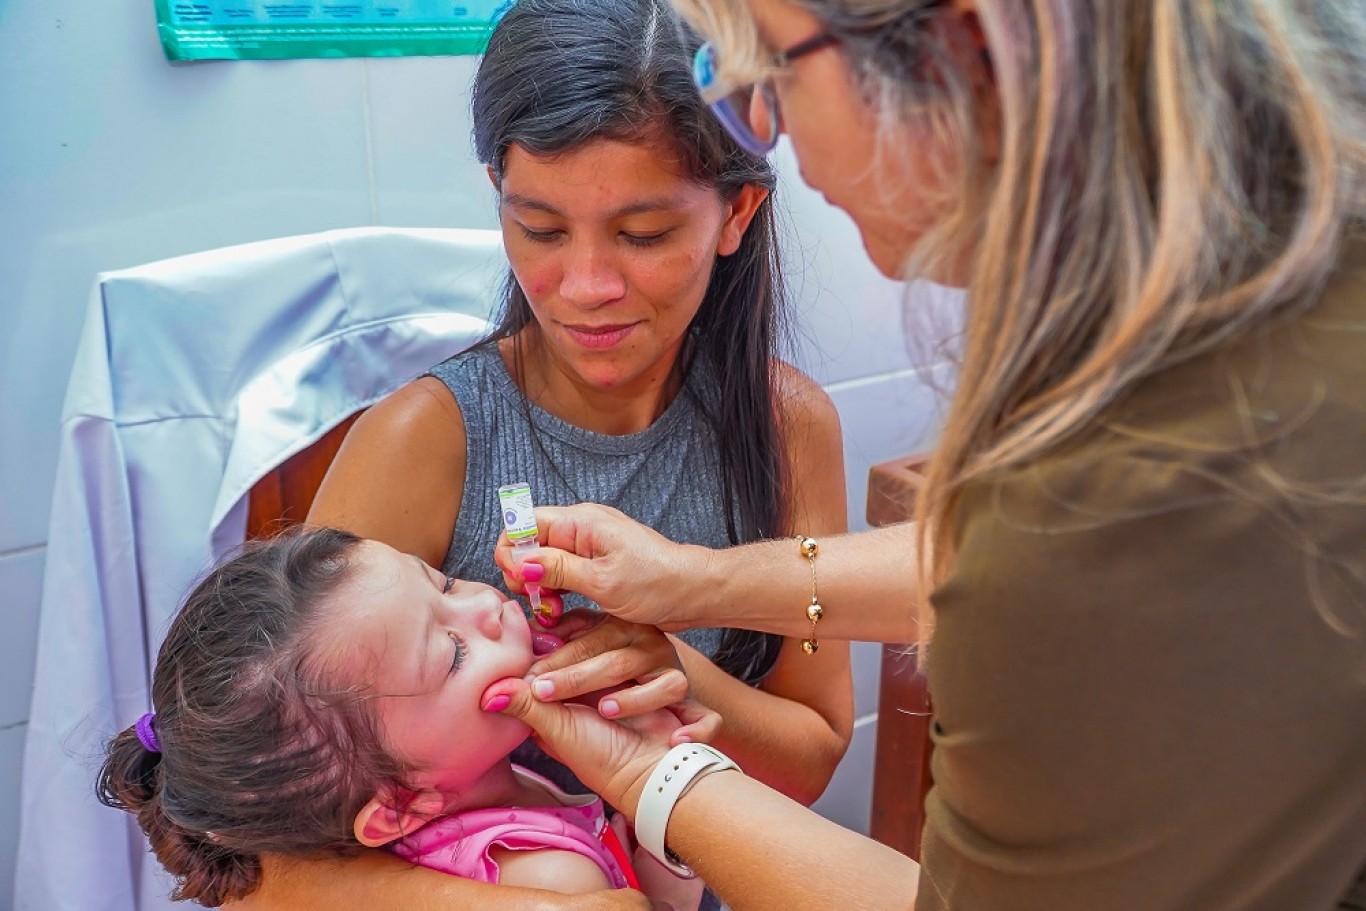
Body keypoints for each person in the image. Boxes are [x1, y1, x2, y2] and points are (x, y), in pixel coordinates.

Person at [480, 1, 1366, 909]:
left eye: (779, 67)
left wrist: (646, 776)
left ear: (968, 46)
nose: (772, 128)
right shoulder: (1288, 313)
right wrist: (695, 582)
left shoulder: (1127, 492)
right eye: (544, 228)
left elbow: (1045, 565)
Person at [232, 0, 852, 907]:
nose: (588, 288)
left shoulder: (786, 425)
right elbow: (260, 858)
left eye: (643, 235)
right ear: (498, 195)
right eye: (541, 229)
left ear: (735, 212)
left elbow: (813, 755)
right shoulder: (428, 440)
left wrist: (676, 672)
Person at [96, 527, 712, 909]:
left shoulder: (476, 797)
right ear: (397, 806)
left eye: (441, 583)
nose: (485, 605)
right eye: (454, 654)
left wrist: (646, 796)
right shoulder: (552, 881)